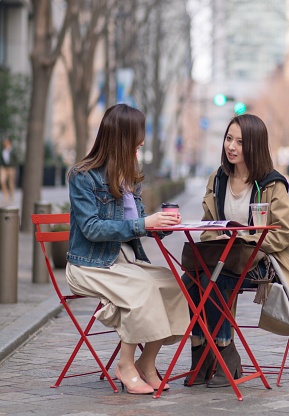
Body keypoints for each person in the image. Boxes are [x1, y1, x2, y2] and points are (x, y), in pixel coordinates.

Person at [66, 104, 189, 395]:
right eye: (138, 134)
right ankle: (124, 364)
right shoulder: (83, 176)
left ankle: (147, 363)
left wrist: (162, 224)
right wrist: (145, 223)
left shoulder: (130, 178)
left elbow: (140, 225)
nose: (142, 141)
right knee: (143, 289)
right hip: (89, 264)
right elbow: (92, 229)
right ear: (122, 137)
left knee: (174, 285)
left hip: (124, 261)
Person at [182, 114, 289, 388]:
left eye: (240, 141)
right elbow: (207, 225)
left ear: (254, 145)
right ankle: (200, 349)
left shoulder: (271, 183)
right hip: (223, 258)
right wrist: (217, 234)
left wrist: (245, 241)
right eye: (229, 138)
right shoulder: (217, 179)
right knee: (192, 279)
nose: (232, 146)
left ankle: (225, 351)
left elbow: (283, 232)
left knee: (209, 279)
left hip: (261, 263)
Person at [0, 138, 18, 204]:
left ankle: (11, 196)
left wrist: (13, 166)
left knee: (11, 183)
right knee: (2, 180)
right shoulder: (2, 150)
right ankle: (5, 195)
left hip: (11, 168)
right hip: (4, 168)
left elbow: (16, 159)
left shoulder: (12, 150)